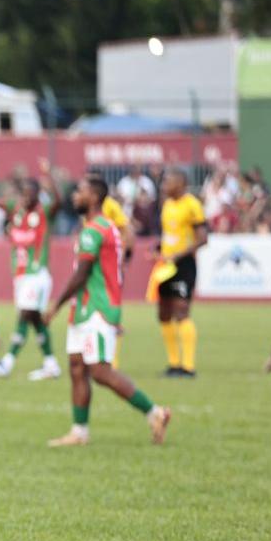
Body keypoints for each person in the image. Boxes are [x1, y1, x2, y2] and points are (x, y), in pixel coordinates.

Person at [43, 176, 171, 447]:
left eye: (80, 190)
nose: (75, 195)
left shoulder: (95, 230)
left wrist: (55, 305)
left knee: (99, 371)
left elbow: (82, 273)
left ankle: (155, 412)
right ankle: (79, 432)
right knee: (77, 368)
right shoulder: (101, 228)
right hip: (85, 307)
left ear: (94, 197)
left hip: (96, 309)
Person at [0, 161, 62, 381]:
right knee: (35, 319)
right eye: (24, 193)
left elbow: (59, 201)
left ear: (39, 194)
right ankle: (51, 363)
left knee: (25, 314)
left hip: (36, 274)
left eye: (31, 193)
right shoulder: (15, 209)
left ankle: (7, 361)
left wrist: (50, 176)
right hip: (20, 275)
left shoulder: (44, 212)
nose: (26, 197)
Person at [156, 169, 207, 378]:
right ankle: (174, 363)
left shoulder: (192, 204)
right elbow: (169, 234)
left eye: (168, 181)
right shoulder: (167, 204)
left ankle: (188, 366)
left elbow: (203, 238)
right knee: (164, 313)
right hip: (165, 266)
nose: (164, 185)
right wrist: (158, 249)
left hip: (184, 265)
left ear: (181, 183)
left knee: (182, 311)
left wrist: (179, 255)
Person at [98, 175, 135, 369]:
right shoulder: (89, 211)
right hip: (95, 267)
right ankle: (97, 357)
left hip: (109, 266)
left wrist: (123, 258)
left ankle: (112, 361)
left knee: (111, 308)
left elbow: (127, 229)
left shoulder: (110, 205)